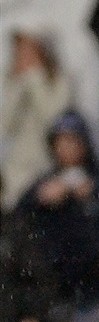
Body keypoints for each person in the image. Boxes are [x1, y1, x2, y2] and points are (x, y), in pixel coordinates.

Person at [2, 110, 99, 322]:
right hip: (58, 300)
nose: (66, 148)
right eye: (60, 142)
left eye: (73, 141)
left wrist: (96, 195)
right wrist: (38, 200)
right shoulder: (44, 186)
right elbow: (18, 228)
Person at [0, 25, 72, 210]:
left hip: (45, 164)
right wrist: (19, 86)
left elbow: (53, 119)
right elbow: (5, 125)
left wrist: (35, 79)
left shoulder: (57, 81)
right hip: (15, 164)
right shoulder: (12, 82)